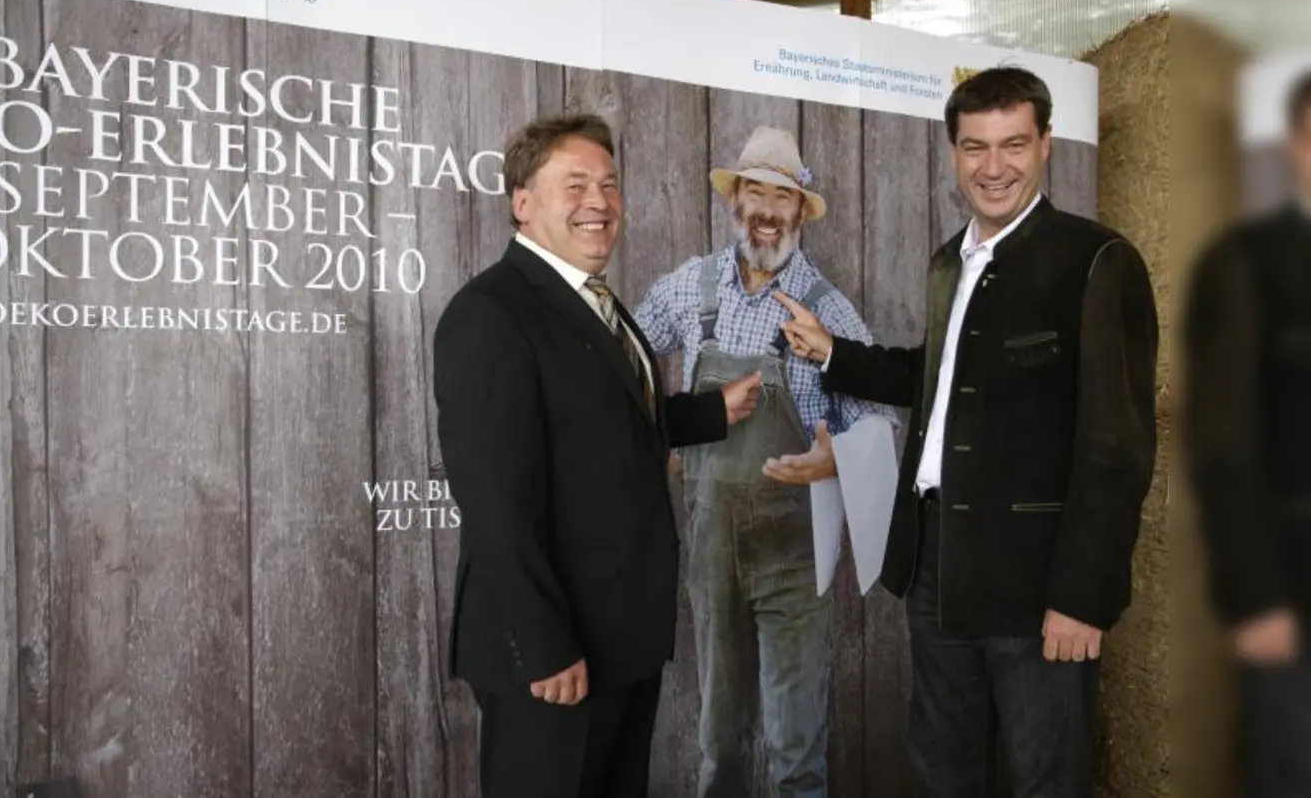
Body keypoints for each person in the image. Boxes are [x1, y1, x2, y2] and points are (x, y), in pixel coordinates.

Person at [778, 66, 1158, 797]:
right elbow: (942, 378)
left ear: (1046, 144)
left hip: (1034, 577)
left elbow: (1117, 446)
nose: (994, 167)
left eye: (1013, 144)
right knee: (946, 770)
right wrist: (835, 352)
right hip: (934, 559)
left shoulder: (1098, 261)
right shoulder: (950, 261)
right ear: (952, 152)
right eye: (975, 147)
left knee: (1044, 776)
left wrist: (1083, 597)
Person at [433, 112, 763, 798]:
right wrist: (544, 646)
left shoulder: (594, 302)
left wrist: (712, 410)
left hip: (620, 638)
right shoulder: (491, 315)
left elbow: (605, 425)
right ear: (521, 203)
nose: (600, 202)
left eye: (609, 185)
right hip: (552, 652)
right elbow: (495, 504)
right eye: (575, 184)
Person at [632, 125, 894, 798]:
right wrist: (662, 432)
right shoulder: (691, 289)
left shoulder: (827, 310)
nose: (768, 210)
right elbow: (623, 359)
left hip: (794, 555)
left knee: (794, 746)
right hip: (713, 550)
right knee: (718, 742)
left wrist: (833, 460)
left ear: (802, 212)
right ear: (735, 201)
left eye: (784, 197)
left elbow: (879, 418)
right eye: (756, 192)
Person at [1185, 69, 1311, 798]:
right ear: (1295, 144)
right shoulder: (1246, 264)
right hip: (1291, 589)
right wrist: (1256, 596)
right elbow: (1223, 445)